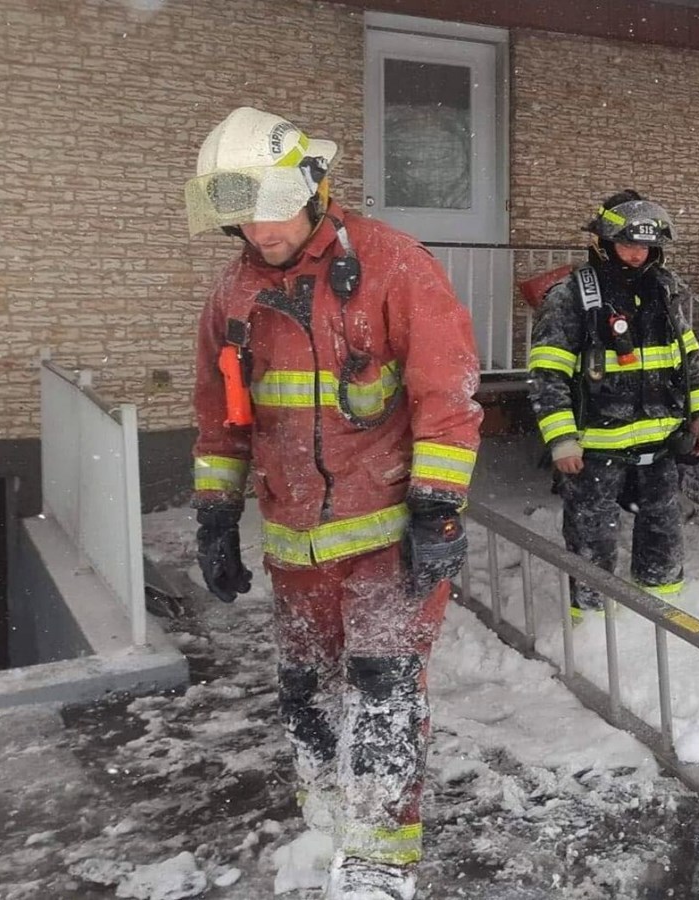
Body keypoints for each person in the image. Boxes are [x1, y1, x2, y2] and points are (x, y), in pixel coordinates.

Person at [185, 106, 482, 899]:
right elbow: (221, 419)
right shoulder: (234, 294)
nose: (256, 227)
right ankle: (326, 813)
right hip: (292, 542)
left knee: (384, 693)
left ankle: (380, 860)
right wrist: (216, 515)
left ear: (314, 186)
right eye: (238, 209)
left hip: (389, 539)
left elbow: (446, 394)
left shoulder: (390, 264)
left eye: (270, 203)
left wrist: (438, 507)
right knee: (305, 688)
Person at [528, 190, 699, 614]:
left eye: (646, 246)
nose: (637, 255)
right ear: (603, 242)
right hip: (596, 447)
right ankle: (592, 624)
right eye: (628, 244)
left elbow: (688, 360)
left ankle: (662, 614)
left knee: (663, 532)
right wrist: (561, 439)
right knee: (592, 538)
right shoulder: (571, 296)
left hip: (661, 443)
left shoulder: (664, 293)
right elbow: (547, 373)